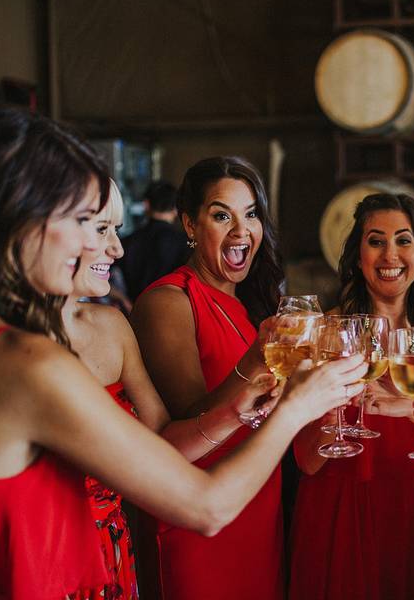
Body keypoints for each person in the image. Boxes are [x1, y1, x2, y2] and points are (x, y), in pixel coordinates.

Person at [0, 109, 366, 599]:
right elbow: (207, 507)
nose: (103, 246)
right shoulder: (23, 362)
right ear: (20, 218)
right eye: (84, 220)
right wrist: (299, 404)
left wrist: (238, 407)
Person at [62, 179, 282, 599]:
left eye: (251, 213)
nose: (118, 249)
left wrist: (244, 405)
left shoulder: (111, 327)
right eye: (101, 229)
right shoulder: (168, 300)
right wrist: (293, 407)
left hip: (119, 552)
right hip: (62, 553)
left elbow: (165, 443)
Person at [287, 193, 414, 600]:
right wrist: (335, 407)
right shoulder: (325, 333)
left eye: (404, 240)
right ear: (358, 255)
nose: (391, 254)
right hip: (340, 515)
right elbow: (306, 460)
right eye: (376, 241)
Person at [130, 156, 290, 599]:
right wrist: (256, 363)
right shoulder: (169, 301)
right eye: (223, 215)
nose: (242, 231)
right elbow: (187, 426)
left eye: (251, 214)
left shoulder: (248, 306)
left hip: (256, 507)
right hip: (195, 520)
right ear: (189, 225)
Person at [116, 181, 191, 301]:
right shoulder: (186, 242)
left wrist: (123, 300)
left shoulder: (126, 242)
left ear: (146, 205)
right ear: (176, 209)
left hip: (133, 311)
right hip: (173, 308)